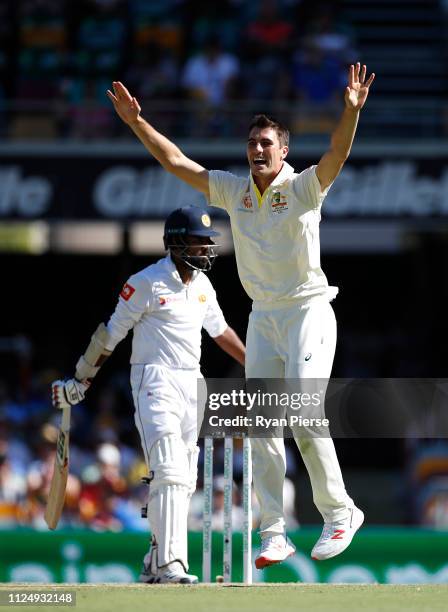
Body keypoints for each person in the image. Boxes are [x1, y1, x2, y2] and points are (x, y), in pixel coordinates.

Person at [106, 62, 375, 566]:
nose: (256, 151)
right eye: (252, 143)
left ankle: (341, 512)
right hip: (263, 314)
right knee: (261, 426)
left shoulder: (302, 189)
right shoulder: (234, 191)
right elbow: (178, 163)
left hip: (308, 310)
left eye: (266, 143)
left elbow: (337, 153)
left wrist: (350, 111)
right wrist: (136, 123)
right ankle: (274, 529)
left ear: (284, 150)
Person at [51, 206, 245, 584]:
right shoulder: (146, 282)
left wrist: (254, 362)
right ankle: (172, 563)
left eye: (208, 242)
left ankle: (155, 561)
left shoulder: (203, 286)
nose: (207, 248)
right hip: (155, 381)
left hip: (193, 384)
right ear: (175, 242)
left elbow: (221, 332)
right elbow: (110, 334)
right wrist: (81, 379)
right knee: (170, 469)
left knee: (185, 478)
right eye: (199, 241)